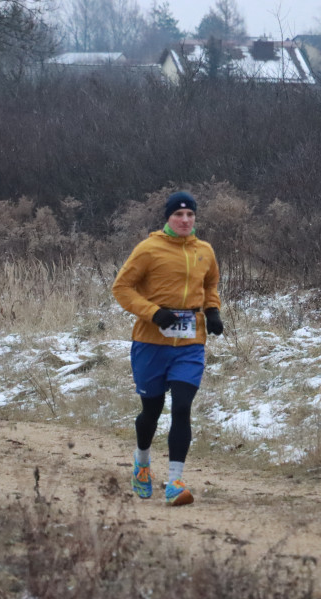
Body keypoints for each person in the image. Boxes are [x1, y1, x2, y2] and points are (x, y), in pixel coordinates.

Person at [112, 191, 223, 507]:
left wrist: (212, 311)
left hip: (190, 344)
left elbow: (211, 285)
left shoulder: (204, 251)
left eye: (190, 215)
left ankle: (175, 480)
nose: (185, 220)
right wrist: (153, 312)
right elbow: (122, 288)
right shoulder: (149, 249)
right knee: (152, 409)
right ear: (168, 218)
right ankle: (142, 462)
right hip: (151, 342)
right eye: (179, 215)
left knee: (182, 407)